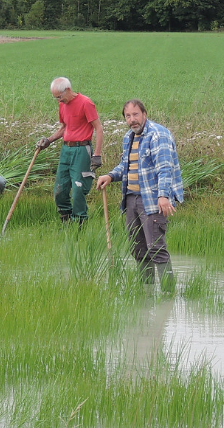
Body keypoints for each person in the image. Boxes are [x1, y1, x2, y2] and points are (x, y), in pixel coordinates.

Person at [96, 99, 183, 290]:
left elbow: (164, 168)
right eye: (128, 116)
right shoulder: (129, 137)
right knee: (138, 249)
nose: (132, 119)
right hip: (131, 199)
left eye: (135, 114)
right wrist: (110, 176)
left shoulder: (158, 134)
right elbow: (126, 166)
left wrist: (163, 196)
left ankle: (168, 294)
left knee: (156, 248)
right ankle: (147, 291)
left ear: (144, 114)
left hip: (152, 201)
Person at [36, 77, 104, 224]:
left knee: (78, 189)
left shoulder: (86, 103)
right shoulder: (62, 105)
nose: (59, 101)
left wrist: (97, 154)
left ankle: (80, 222)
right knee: (59, 190)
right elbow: (64, 127)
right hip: (66, 150)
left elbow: (98, 128)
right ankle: (66, 220)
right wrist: (48, 140)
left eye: (59, 97)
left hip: (81, 150)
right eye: (55, 98)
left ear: (67, 90)